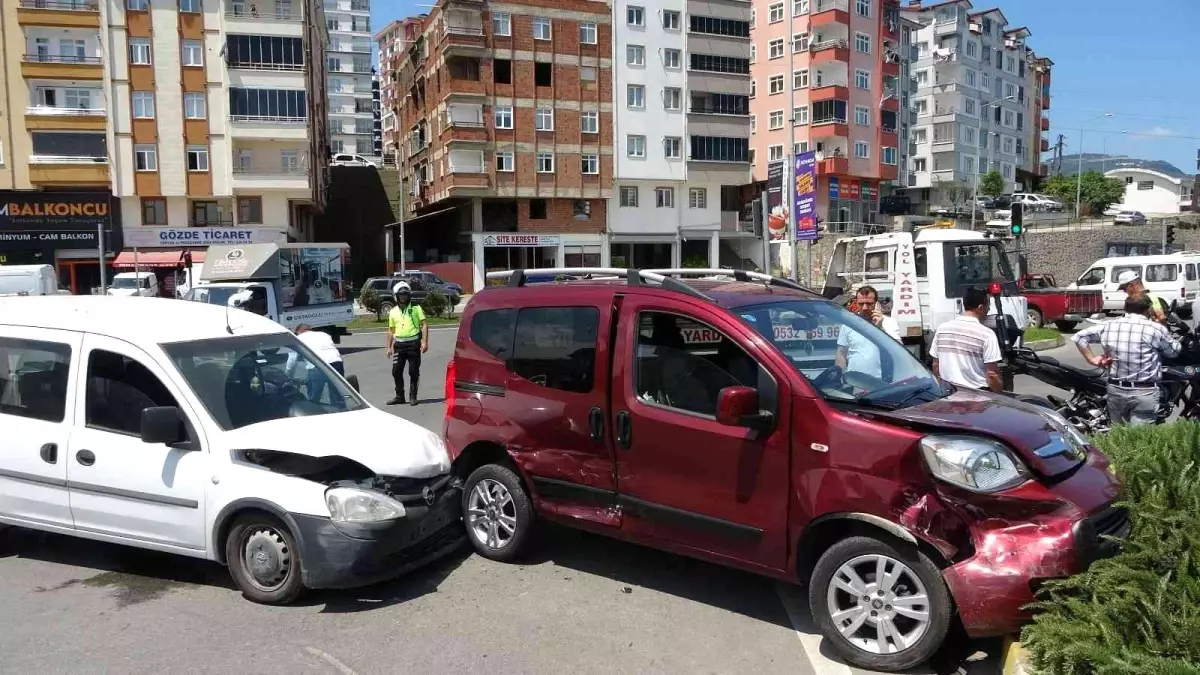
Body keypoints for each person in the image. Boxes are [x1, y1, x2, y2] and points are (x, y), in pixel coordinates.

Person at [1072, 294, 1181, 426]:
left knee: (1119, 435)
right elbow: (1173, 352)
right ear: (1149, 309)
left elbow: (1079, 337)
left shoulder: (1109, 325)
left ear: (1125, 308)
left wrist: (1092, 359)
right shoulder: (1154, 329)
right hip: (1144, 392)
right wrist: (1163, 325)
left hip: (1116, 389)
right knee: (1139, 439)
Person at [930, 287, 1004, 392]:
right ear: (981, 307)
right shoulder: (987, 334)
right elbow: (992, 375)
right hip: (977, 397)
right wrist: (999, 392)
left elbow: (936, 366)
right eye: (988, 307)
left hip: (949, 393)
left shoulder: (942, 329)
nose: (988, 310)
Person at [835, 286, 901, 379]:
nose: (865, 307)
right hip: (855, 382)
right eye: (861, 304)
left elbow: (899, 353)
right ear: (856, 303)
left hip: (883, 383)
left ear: (877, 304)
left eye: (869, 303)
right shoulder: (849, 324)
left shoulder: (889, 323)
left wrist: (880, 329)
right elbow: (841, 354)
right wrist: (840, 377)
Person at [385, 281, 427, 406]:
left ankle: (413, 396)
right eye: (401, 295)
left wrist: (424, 342)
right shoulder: (393, 312)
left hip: (413, 344)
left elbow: (424, 325)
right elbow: (391, 330)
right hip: (399, 345)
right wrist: (388, 347)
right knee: (396, 371)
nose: (403, 297)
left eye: (405, 294)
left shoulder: (416, 308)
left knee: (413, 371)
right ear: (396, 296)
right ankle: (399, 396)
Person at [293, 324, 344, 404]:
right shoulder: (324, 334)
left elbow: (292, 359)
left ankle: (313, 411)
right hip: (336, 362)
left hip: (318, 365)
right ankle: (339, 409)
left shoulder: (298, 338)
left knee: (314, 395)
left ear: (298, 332)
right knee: (337, 392)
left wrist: (289, 374)